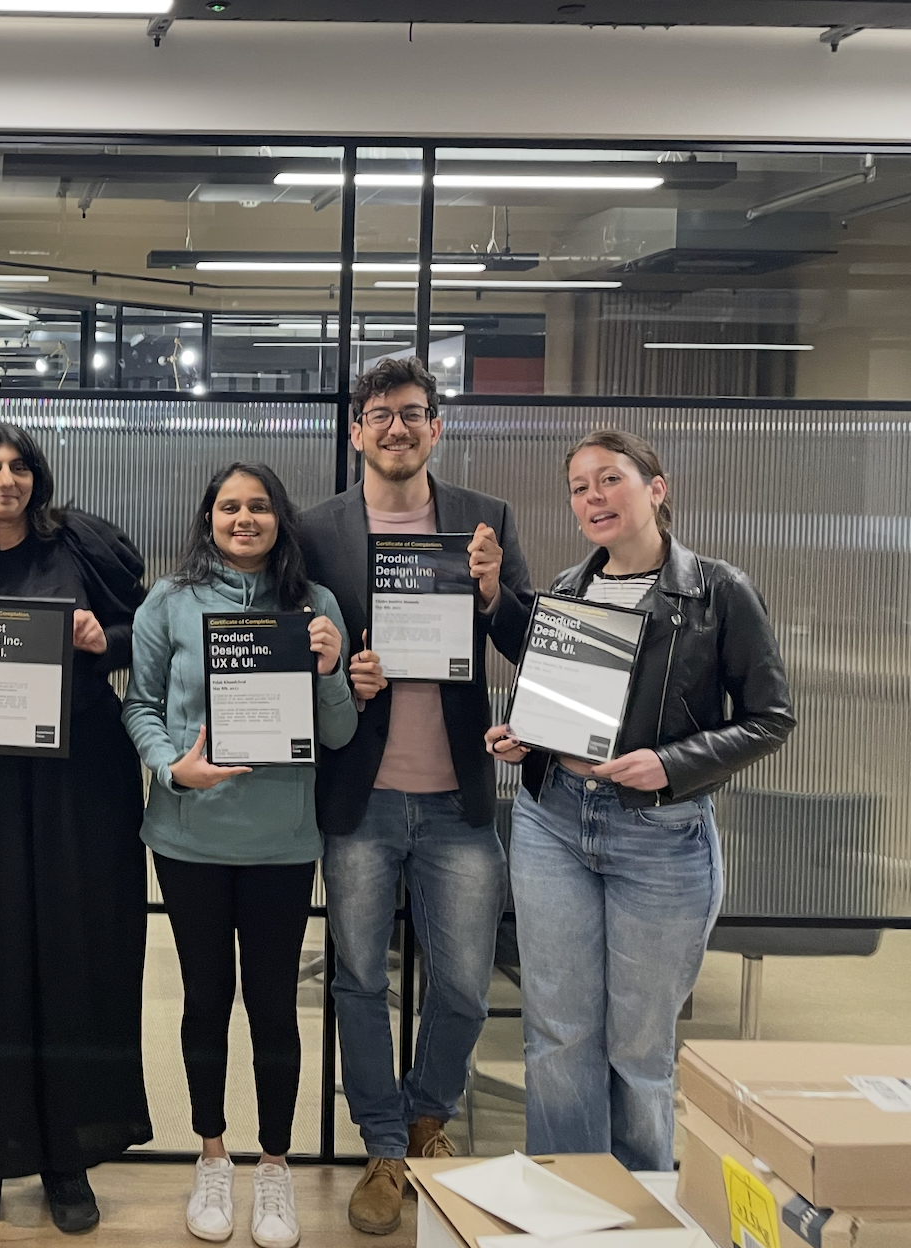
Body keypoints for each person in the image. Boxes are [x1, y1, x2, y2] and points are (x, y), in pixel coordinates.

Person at [485, 429, 793, 1171]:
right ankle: (570, 1202)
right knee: (558, 1034)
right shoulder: (565, 592)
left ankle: (642, 1205)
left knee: (638, 1045)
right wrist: (523, 737)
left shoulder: (719, 590)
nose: (592, 497)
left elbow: (770, 718)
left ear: (657, 488)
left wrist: (672, 763)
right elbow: (560, 708)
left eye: (609, 479)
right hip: (552, 822)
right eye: (578, 487)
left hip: (661, 837)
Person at [292, 357, 534, 1234]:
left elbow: (529, 639)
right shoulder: (315, 531)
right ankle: (385, 1146)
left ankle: (431, 1115)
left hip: (458, 800)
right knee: (358, 980)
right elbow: (293, 652)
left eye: (413, 413)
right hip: (360, 794)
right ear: (355, 430)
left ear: (437, 427)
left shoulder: (484, 521)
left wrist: (494, 592)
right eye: (380, 414)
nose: (397, 428)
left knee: (465, 987)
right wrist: (337, 681)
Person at [0, 422, 152, 1234]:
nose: (4, 480)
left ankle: (67, 1156)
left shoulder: (84, 546)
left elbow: (146, 635)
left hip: (84, 782)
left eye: (18, 467)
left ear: (37, 477)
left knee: (78, 955)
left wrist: (99, 640)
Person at [124, 462, 357, 1248]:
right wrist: (168, 766)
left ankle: (275, 1168)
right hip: (189, 836)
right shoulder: (169, 601)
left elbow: (341, 733)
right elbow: (140, 705)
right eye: (230, 506)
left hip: (282, 845)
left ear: (279, 519)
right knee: (203, 1000)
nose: (245, 518)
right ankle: (213, 1154)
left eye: (259, 506)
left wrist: (328, 667)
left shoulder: (315, 607)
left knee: (271, 1006)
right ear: (209, 518)